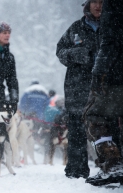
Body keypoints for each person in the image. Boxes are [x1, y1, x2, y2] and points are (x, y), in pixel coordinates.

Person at [56, 0, 103, 179]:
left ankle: (111, 168)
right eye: (95, 2)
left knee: (109, 129)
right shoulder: (76, 28)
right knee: (76, 132)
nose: (98, 6)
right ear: (87, 5)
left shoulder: (112, 28)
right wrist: (74, 54)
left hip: (105, 89)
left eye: (102, 2)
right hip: (76, 89)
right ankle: (76, 171)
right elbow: (60, 51)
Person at [83, 0, 123, 186]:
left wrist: (98, 71)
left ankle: (113, 165)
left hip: (115, 75)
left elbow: (110, 41)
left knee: (94, 115)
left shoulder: (113, 6)